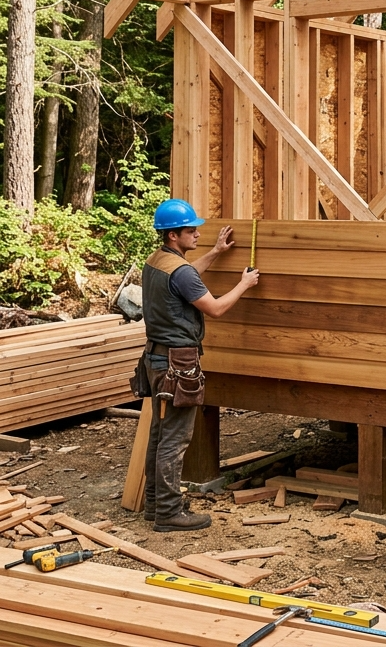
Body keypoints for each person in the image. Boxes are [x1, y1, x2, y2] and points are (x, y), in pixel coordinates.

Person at [142, 199, 259, 532]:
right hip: (176, 364)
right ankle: (168, 512)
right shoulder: (179, 271)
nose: (197, 234)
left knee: (160, 434)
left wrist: (217, 252)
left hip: (155, 358)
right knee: (174, 439)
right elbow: (216, 308)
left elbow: (187, 279)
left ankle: (154, 505)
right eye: (191, 230)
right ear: (173, 235)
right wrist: (244, 284)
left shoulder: (157, 262)